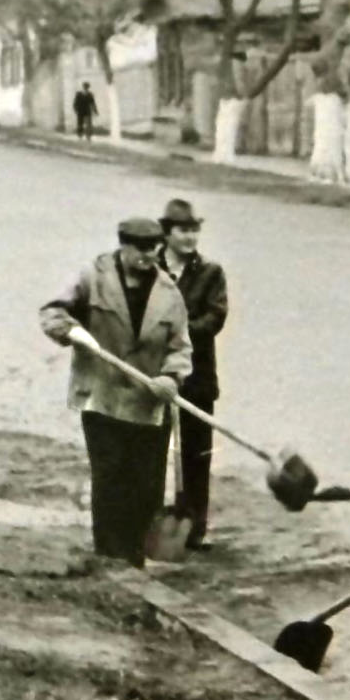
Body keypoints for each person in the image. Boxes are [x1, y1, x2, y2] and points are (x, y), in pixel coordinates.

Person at [39, 217, 191, 567]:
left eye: (154, 248)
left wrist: (172, 376)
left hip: (148, 403)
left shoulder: (169, 293)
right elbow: (52, 312)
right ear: (123, 246)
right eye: (140, 248)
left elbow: (181, 346)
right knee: (110, 479)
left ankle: (135, 557)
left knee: (146, 485)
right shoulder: (94, 278)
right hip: (102, 397)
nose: (147, 255)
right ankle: (108, 556)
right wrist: (70, 331)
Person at [157, 198, 228, 551]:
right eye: (183, 230)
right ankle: (150, 520)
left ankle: (195, 525)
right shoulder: (151, 268)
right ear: (167, 233)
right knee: (154, 450)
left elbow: (214, 318)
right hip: (155, 377)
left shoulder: (210, 273)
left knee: (197, 455)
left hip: (197, 377)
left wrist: (176, 331)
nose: (190, 237)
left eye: (194, 230)